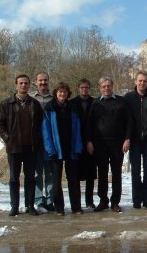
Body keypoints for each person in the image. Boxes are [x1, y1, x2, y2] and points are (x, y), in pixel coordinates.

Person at [0, 74, 43, 216]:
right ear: (16, 85)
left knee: (30, 178)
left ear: (29, 85)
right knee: (14, 178)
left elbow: (41, 124)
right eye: (21, 83)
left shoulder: (35, 104)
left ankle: (30, 205)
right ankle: (14, 206)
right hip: (14, 147)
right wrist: (7, 137)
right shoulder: (6, 104)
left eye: (26, 83)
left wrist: (38, 140)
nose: (23, 85)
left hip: (31, 147)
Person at [87, 77, 132, 213]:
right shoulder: (95, 103)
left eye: (109, 86)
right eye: (104, 86)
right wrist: (89, 141)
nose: (106, 88)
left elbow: (129, 122)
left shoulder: (121, 101)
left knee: (116, 173)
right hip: (100, 144)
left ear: (112, 86)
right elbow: (89, 124)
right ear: (100, 88)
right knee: (102, 174)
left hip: (117, 144)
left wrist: (127, 139)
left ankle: (115, 202)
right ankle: (103, 201)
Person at [42, 82, 83, 216]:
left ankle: (76, 207)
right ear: (55, 93)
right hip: (55, 150)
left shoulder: (73, 108)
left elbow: (78, 129)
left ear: (68, 94)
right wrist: (50, 150)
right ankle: (59, 208)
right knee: (56, 181)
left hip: (71, 149)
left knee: (73, 180)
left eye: (65, 92)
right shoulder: (49, 108)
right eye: (60, 91)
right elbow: (46, 132)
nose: (62, 94)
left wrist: (78, 147)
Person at [124, 71, 147, 209]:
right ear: (135, 81)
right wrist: (127, 137)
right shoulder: (128, 97)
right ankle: (137, 200)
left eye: (145, 81)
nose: (142, 83)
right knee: (135, 171)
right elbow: (125, 119)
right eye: (140, 80)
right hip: (134, 140)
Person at [70, 78, 97, 209]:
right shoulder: (72, 103)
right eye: (82, 87)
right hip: (76, 142)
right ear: (78, 88)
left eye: (86, 87)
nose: (84, 89)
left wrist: (90, 140)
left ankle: (89, 200)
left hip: (91, 141)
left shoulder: (95, 102)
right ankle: (77, 203)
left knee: (90, 175)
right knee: (76, 175)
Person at [30, 72, 54, 212]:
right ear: (36, 82)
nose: (43, 83)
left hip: (50, 142)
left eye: (45, 80)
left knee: (50, 173)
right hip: (35, 142)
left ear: (48, 81)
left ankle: (50, 200)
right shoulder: (31, 98)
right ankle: (39, 201)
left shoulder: (54, 98)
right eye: (40, 80)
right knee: (37, 173)